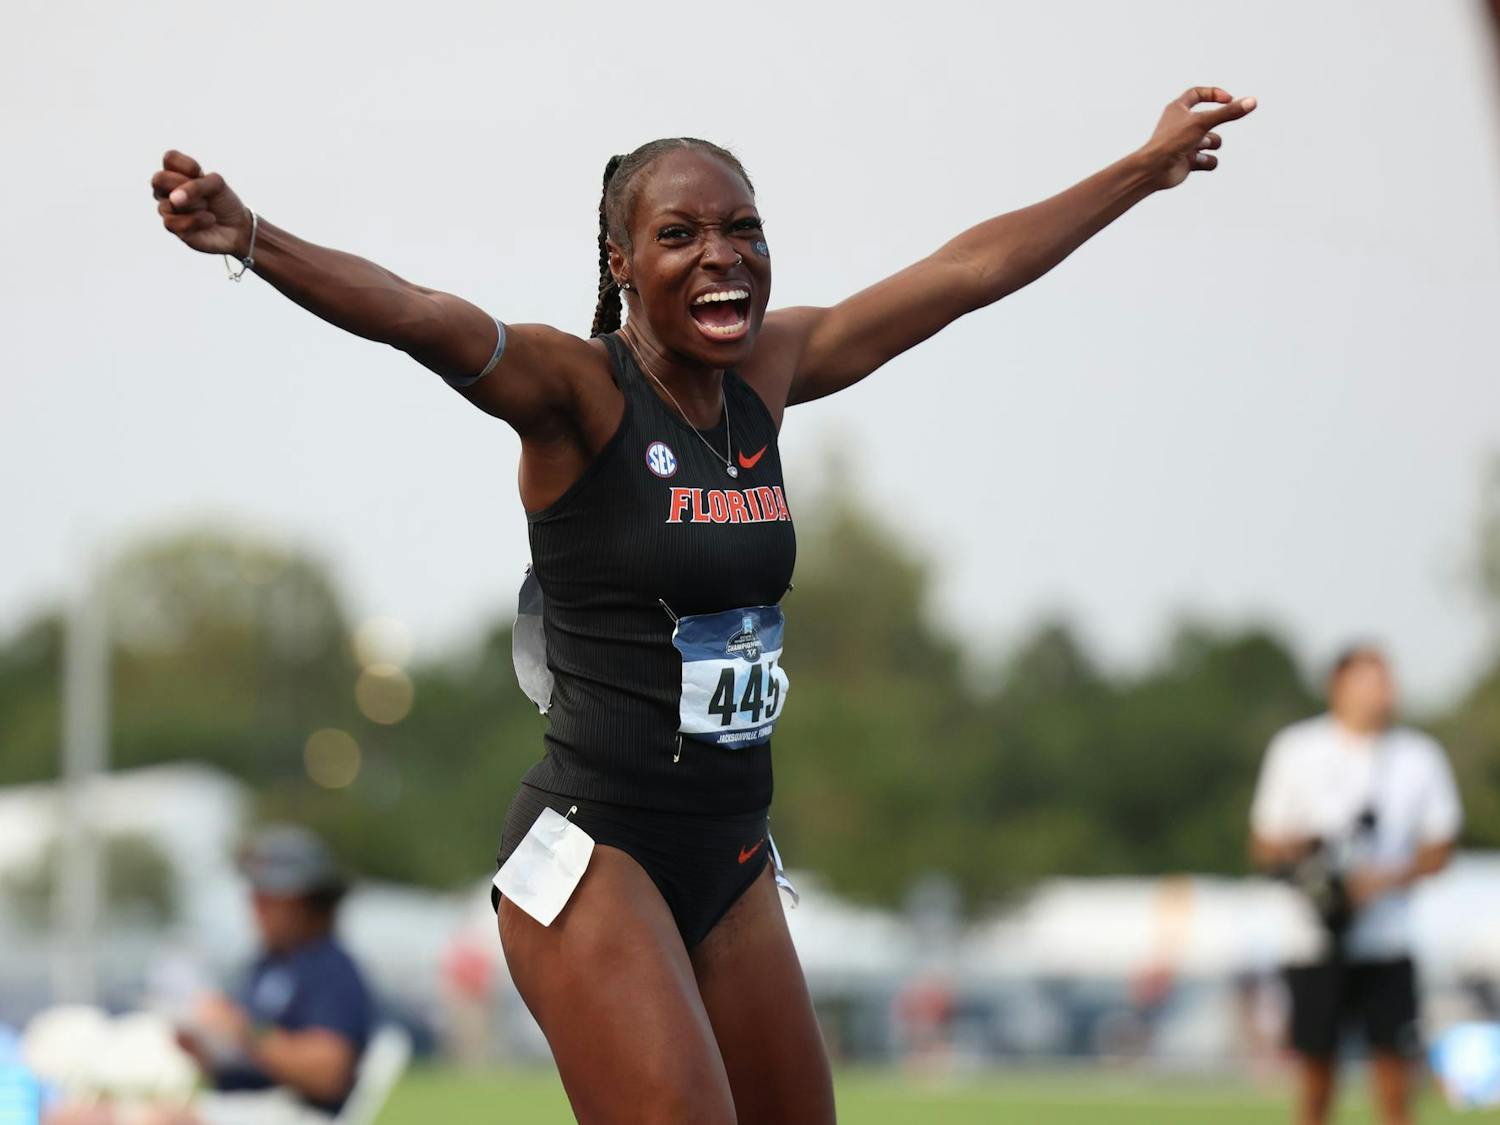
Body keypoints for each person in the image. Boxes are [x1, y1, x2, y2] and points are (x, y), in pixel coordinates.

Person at [151, 86, 1256, 1123]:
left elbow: (963, 272)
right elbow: (420, 316)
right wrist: (254, 235)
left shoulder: (770, 373)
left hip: (730, 849)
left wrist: (1143, 168)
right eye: (680, 235)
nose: (721, 256)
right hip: (595, 847)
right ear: (622, 262)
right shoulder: (576, 392)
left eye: (744, 229)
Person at [1250, 646, 1463, 1125]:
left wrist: (1382, 881)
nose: (1383, 693)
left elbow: (1442, 844)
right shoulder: (1296, 749)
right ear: (1339, 687)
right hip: (1313, 940)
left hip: (1387, 939)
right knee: (1315, 1082)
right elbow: (1264, 842)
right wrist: (1316, 857)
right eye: (1370, 682)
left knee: (1394, 1080)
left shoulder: (1418, 755)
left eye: (1387, 681)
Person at [174, 825, 375, 1123]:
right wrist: (203, 1044)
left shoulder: (332, 970)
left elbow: (328, 1073)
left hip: (298, 1113)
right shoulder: (264, 964)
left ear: (306, 903)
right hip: (246, 1106)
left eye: (268, 899)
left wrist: (243, 1031)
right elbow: (241, 1066)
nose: (255, 908)